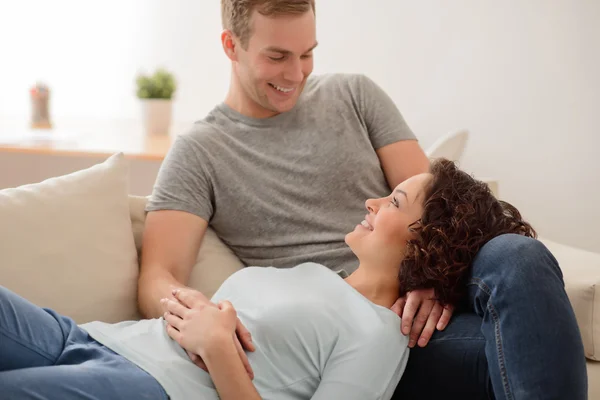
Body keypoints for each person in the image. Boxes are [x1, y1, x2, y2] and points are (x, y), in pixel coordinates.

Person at [137, 1, 588, 399]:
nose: (296, 75)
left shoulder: (355, 95)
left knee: (519, 253)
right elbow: (159, 275)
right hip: (363, 326)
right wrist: (198, 317)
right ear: (230, 45)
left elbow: (436, 200)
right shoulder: (200, 151)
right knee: (523, 348)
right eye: (277, 57)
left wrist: (434, 277)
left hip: (421, 274)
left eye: (307, 54)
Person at [0, 159, 542, 399]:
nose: (373, 201)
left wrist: (216, 348)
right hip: (90, 337)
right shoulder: (318, 275)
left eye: (394, 200)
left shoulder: (379, 338)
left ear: (424, 241)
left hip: (148, 387)